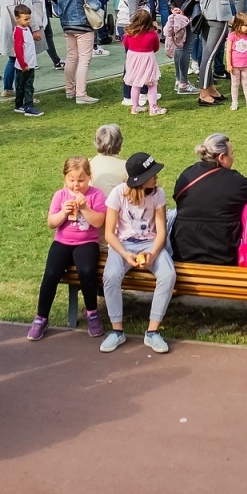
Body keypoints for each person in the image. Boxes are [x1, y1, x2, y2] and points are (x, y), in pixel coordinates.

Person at [99, 152, 176, 354]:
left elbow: (161, 231)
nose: (156, 177)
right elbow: (109, 234)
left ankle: (152, 331)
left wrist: (152, 252)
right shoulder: (117, 194)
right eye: (152, 174)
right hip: (123, 245)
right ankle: (117, 331)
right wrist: (125, 255)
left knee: (168, 275)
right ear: (140, 181)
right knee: (110, 275)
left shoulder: (158, 194)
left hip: (150, 243)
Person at [28, 156, 108, 341]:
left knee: (86, 271)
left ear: (89, 177)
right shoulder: (60, 195)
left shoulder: (96, 195)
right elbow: (51, 223)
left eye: (81, 180)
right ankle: (41, 317)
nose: (76, 185)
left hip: (87, 242)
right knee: (51, 273)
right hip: (62, 241)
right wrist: (63, 212)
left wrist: (85, 208)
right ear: (65, 178)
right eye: (71, 180)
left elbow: (98, 222)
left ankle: (92, 313)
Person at [169, 133, 247, 265]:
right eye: (232, 154)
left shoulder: (186, 175)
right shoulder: (237, 182)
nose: (233, 158)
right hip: (224, 258)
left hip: (183, 254)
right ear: (221, 157)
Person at [191, 0, 236, 105]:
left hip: (204, 12)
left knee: (206, 52)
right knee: (209, 56)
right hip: (218, 14)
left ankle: (210, 88)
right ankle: (203, 92)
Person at [55, 0, 99, 104]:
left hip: (67, 25)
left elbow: (58, 8)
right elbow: (94, 4)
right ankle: (81, 94)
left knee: (71, 57)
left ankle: (70, 90)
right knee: (84, 59)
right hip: (83, 25)